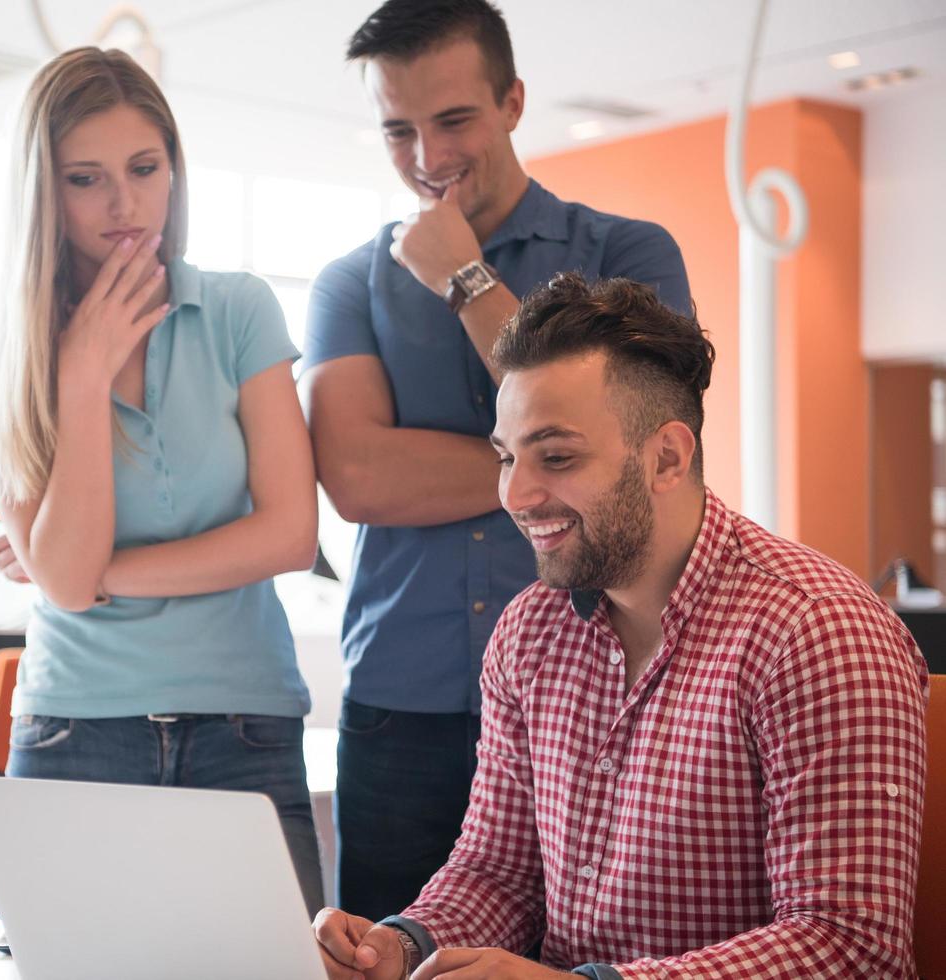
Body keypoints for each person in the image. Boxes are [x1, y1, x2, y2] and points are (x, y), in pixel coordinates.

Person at [313, 273, 928, 980]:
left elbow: (849, 947)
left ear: (666, 457)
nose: (513, 494)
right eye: (506, 457)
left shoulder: (815, 633)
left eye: (557, 457)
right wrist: (401, 943)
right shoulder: (528, 632)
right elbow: (497, 872)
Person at [299, 0, 692, 920]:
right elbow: (355, 480)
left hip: (597, 687)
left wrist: (466, 281)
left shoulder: (628, 254)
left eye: (453, 120)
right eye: (397, 130)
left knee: (578, 950)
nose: (428, 157)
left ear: (513, 101)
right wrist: (569, 463)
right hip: (403, 700)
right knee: (387, 952)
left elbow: (645, 441)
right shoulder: (349, 283)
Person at [0, 47, 325, 916]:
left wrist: (88, 572)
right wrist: (81, 374)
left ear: (174, 170)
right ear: (42, 192)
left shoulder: (237, 310)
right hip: (73, 730)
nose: (124, 204)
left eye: (144, 168)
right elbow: (65, 584)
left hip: (244, 726)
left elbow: (287, 537)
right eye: (86, 179)